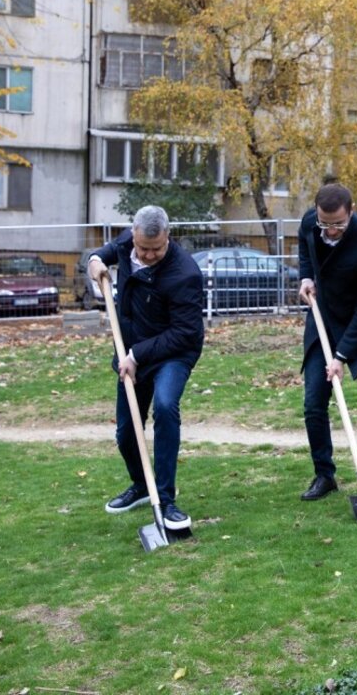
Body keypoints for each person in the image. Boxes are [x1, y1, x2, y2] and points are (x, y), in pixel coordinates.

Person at [87, 205, 205, 530]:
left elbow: (185, 333)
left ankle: (166, 500)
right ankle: (142, 486)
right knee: (126, 432)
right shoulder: (128, 242)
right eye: (143, 248)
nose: (149, 254)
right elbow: (102, 254)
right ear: (134, 235)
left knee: (166, 408)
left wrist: (136, 355)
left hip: (173, 353)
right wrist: (94, 262)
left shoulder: (185, 274)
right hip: (131, 351)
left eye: (156, 248)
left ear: (168, 236)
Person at [297, 181, 357, 502]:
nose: (331, 230)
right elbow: (304, 247)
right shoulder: (310, 223)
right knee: (314, 401)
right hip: (325, 319)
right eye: (325, 224)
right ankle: (324, 475)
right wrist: (306, 276)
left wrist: (340, 356)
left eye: (338, 224)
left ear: (352, 212)